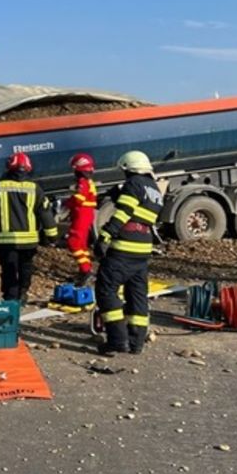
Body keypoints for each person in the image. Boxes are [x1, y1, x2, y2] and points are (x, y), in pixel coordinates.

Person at [92, 150, 163, 356]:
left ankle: (117, 340)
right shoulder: (155, 189)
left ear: (129, 169)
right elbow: (144, 213)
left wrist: (105, 235)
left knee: (106, 290)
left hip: (124, 246)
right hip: (143, 249)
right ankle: (136, 342)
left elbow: (124, 213)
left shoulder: (134, 184)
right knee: (137, 295)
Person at [0, 152, 58, 303]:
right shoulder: (35, 189)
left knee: (9, 269)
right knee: (26, 267)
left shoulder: (0, 187)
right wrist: (52, 235)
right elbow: (45, 213)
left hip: (7, 240)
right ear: (28, 168)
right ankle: (23, 292)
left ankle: (10, 296)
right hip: (29, 241)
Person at [65, 153, 98, 287]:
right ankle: (86, 270)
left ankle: (86, 270)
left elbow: (79, 199)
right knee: (82, 244)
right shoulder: (89, 182)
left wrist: (66, 203)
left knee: (74, 242)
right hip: (86, 214)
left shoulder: (83, 183)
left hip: (82, 215)